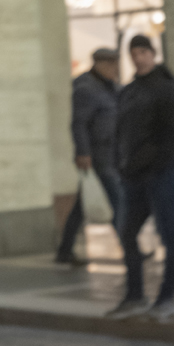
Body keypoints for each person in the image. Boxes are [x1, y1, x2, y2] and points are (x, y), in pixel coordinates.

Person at [107, 35, 174, 321]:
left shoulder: (169, 88)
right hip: (133, 176)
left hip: (161, 174)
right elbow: (121, 131)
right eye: (134, 52)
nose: (138, 57)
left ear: (153, 53)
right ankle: (134, 296)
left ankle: (167, 298)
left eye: (143, 51)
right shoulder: (129, 91)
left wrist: (155, 162)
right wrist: (121, 164)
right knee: (127, 231)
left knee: (167, 234)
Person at [57, 48, 123, 266]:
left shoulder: (112, 86)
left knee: (81, 205)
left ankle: (64, 250)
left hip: (112, 152)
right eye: (111, 64)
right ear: (99, 64)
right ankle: (130, 248)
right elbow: (79, 123)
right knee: (117, 200)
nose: (115, 69)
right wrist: (83, 152)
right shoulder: (86, 88)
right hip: (97, 154)